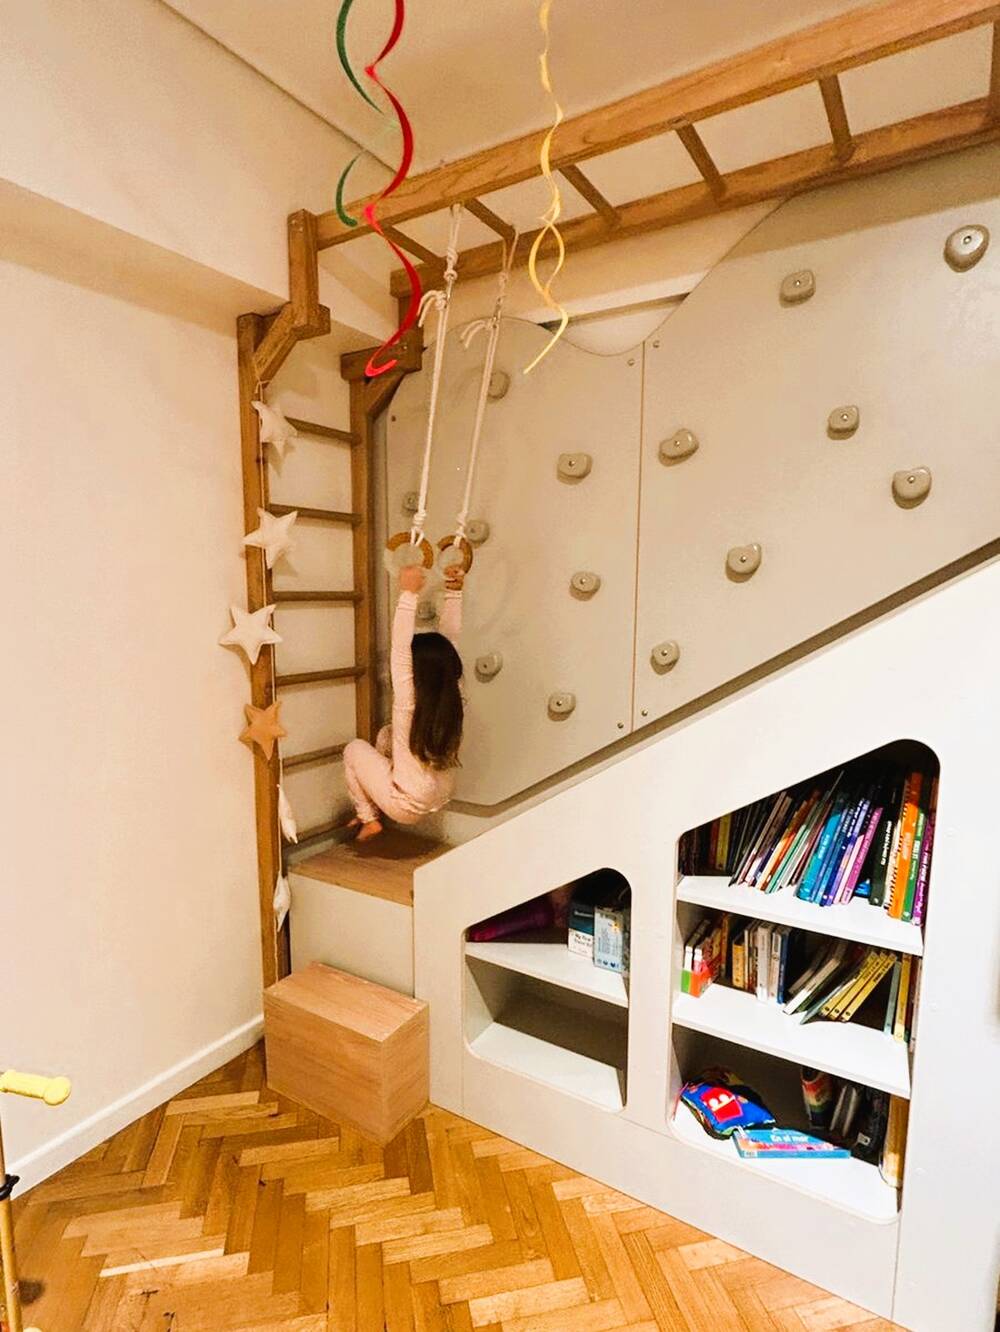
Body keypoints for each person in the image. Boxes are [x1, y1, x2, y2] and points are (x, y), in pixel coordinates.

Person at [342, 562, 465, 841]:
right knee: (386, 736)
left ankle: (369, 818)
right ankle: (374, 801)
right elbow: (450, 642)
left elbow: (399, 648)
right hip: (439, 795)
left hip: (404, 806)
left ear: (414, 673)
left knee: (354, 749)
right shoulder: (452, 694)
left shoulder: (408, 701)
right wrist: (454, 592)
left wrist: (408, 594)